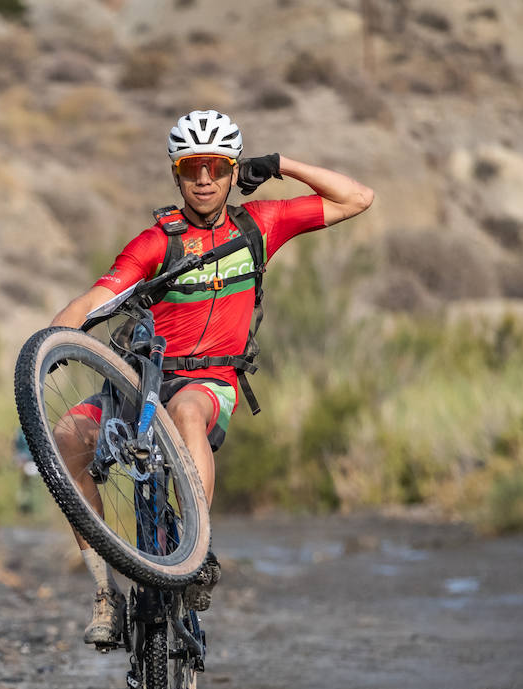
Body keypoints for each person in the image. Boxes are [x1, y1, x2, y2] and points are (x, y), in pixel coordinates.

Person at [47, 109, 375, 646]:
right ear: (177, 173)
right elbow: (95, 298)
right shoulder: (157, 241)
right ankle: (107, 593)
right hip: (140, 380)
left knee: (188, 414)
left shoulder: (260, 224)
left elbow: (357, 197)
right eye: (193, 168)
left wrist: (280, 164)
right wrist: (51, 341)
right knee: (66, 440)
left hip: (209, 382)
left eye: (218, 168)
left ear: (232, 171)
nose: (205, 180)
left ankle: (195, 553)